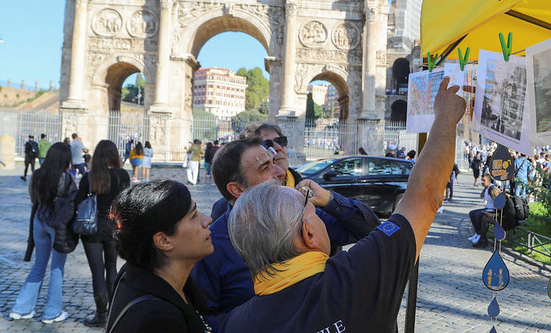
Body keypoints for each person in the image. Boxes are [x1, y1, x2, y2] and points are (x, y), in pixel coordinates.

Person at [220, 77, 466, 332]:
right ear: (309, 234)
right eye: (312, 212)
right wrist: (446, 117)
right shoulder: (356, 277)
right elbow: (425, 195)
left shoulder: (233, 324)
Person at [193, 135, 380, 331]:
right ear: (237, 189)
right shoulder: (210, 247)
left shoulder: (303, 215)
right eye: (265, 168)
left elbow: (369, 228)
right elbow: (206, 318)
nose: (281, 171)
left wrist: (329, 200)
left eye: (275, 162)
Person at [106, 180, 213, 333]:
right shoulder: (158, 320)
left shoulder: (134, 274)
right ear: (163, 240)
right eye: (194, 215)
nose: (207, 220)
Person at [9, 142, 74, 324]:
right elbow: (72, 203)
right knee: (56, 268)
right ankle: (52, 312)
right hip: (57, 224)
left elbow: (33, 198)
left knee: (39, 265)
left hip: (39, 220)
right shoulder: (66, 178)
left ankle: (21, 308)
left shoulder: (37, 175)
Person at [76, 140, 131, 327]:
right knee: (112, 268)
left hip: (91, 229)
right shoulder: (122, 175)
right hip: (114, 227)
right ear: (115, 155)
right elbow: (126, 202)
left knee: (97, 272)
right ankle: (114, 312)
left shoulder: (90, 177)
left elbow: (78, 202)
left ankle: (101, 315)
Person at [468, 173, 501, 248]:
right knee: (472, 213)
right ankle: (477, 233)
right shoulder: (486, 189)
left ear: (489, 181)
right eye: (481, 180)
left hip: (493, 210)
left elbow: (497, 201)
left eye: (484, 180)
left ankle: (480, 235)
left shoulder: (492, 189)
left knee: (478, 215)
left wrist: (494, 214)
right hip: (488, 208)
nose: (482, 182)